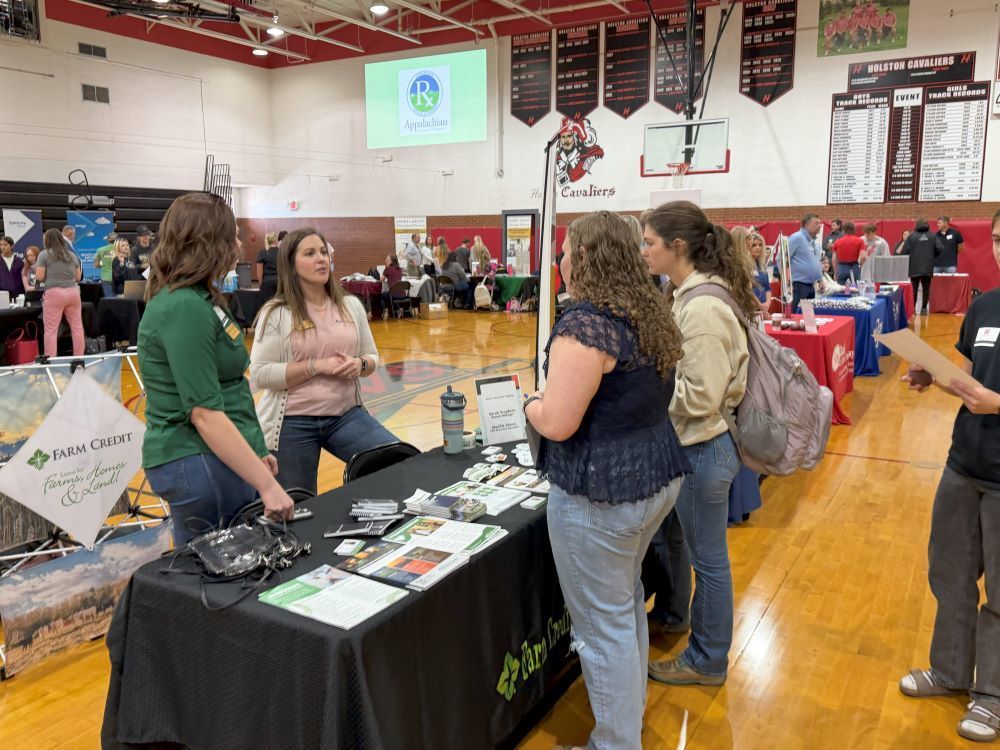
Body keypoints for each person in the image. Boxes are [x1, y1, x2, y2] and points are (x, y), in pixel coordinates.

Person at [523, 210, 689, 750]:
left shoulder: (587, 325)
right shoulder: (647, 312)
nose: (561, 259)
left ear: (587, 258)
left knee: (602, 628)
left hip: (602, 496)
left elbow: (559, 421)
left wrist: (530, 403)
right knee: (623, 607)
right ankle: (626, 724)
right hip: (652, 480)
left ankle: (616, 743)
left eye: (567, 250)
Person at [641, 200, 756, 687]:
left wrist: (644, 398)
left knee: (710, 561)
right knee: (691, 548)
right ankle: (679, 619)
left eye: (649, 243)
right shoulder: (688, 296)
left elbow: (700, 396)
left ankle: (707, 660)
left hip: (703, 448)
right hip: (695, 447)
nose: (643, 251)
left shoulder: (704, 307)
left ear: (677, 246)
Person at [897, 207, 1000, 744]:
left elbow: (988, 396)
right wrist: (932, 375)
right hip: (965, 464)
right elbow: (966, 376)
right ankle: (952, 671)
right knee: (951, 575)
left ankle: (992, 695)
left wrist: (997, 403)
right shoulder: (985, 306)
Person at [139, 193, 294, 546]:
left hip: (215, 457)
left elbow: (227, 390)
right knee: (210, 580)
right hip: (196, 460)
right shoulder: (183, 307)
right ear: (210, 242)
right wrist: (267, 486)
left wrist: (254, 451)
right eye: (232, 235)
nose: (240, 244)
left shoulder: (200, 300)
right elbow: (205, 414)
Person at [250, 228, 398, 496]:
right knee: (299, 506)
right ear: (291, 266)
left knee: (399, 461)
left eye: (322, 252)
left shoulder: (350, 306)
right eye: (309, 254)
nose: (321, 259)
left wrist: (359, 364)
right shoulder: (276, 313)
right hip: (292, 421)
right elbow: (260, 375)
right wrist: (315, 366)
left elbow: (372, 356)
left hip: (345, 415)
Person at [35, 229, 84, 357]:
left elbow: (39, 277)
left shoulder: (44, 255)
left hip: (54, 293)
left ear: (47, 240)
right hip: (73, 292)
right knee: (77, 327)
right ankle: (79, 358)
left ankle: (51, 360)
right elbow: (78, 277)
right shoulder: (72, 255)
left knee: (51, 330)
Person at [901, 218, 943, 315]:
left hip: (914, 267)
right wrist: (933, 256)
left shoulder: (912, 236)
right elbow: (940, 248)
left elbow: (904, 251)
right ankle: (924, 309)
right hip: (928, 266)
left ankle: (913, 310)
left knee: (914, 289)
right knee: (926, 288)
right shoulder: (933, 235)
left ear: (916, 225)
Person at [788, 213, 824, 309]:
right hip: (797, 285)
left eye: (820, 223)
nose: (819, 226)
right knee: (795, 315)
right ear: (806, 225)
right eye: (816, 223)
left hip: (810, 285)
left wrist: (821, 279)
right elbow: (781, 258)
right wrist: (787, 282)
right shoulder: (796, 238)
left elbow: (817, 262)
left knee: (808, 317)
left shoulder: (814, 243)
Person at [733, 226, 771, 313]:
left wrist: (767, 304)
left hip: (758, 307)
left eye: (760, 245)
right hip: (746, 307)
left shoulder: (761, 266)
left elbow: (768, 287)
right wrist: (760, 306)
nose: (758, 248)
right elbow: (747, 289)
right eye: (754, 245)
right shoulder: (740, 263)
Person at [833, 221, 866, 286]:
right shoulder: (860, 241)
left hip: (841, 267)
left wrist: (835, 272)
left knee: (840, 289)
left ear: (843, 230)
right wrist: (859, 266)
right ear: (854, 230)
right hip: (854, 267)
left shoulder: (837, 242)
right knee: (855, 290)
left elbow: (834, 260)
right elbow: (863, 256)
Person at [94, 233, 118, 298]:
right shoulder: (121, 249)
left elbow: (96, 265)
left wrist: (104, 265)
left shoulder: (100, 250)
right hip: (119, 277)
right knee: (120, 299)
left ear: (107, 240)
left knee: (109, 299)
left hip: (105, 277)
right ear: (117, 240)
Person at [257, 232, 280, 298]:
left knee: (267, 304)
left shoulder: (263, 253)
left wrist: (261, 284)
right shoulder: (281, 252)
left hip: (267, 282)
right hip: (280, 282)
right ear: (276, 240)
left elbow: (259, 270)